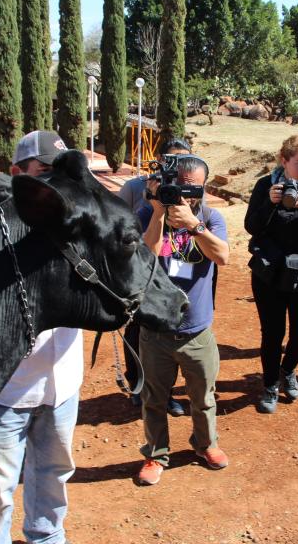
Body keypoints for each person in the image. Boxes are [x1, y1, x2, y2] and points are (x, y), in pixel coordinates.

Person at [0, 129, 83, 544]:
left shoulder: (76, 231)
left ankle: (47, 536)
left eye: (63, 172)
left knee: (53, 476)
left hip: (62, 386)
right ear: (16, 175)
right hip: (4, 394)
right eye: (45, 172)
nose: (57, 184)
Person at [135, 154, 230, 486]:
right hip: (156, 330)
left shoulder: (211, 217)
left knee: (203, 397)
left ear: (204, 187)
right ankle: (155, 454)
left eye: (192, 188)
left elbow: (223, 256)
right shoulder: (148, 213)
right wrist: (159, 211)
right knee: (154, 399)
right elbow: (146, 256)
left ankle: (206, 445)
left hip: (197, 331)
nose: (184, 195)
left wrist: (193, 224)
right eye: (177, 186)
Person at [244, 135, 298, 413]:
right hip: (270, 275)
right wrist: (270, 203)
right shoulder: (265, 186)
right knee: (272, 334)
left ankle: (288, 369)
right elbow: (251, 226)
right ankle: (270, 385)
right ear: (285, 161)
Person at [117, 137, 192, 416]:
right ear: (159, 161)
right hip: (141, 272)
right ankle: (136, 383)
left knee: (168, 335)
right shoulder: (135, 187)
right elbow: (119, 227)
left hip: (176, 270)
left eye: (184, 161)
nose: (176, 167)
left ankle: (166, 392)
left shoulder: (192, 186)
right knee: (136, 330)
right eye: (171, 160)